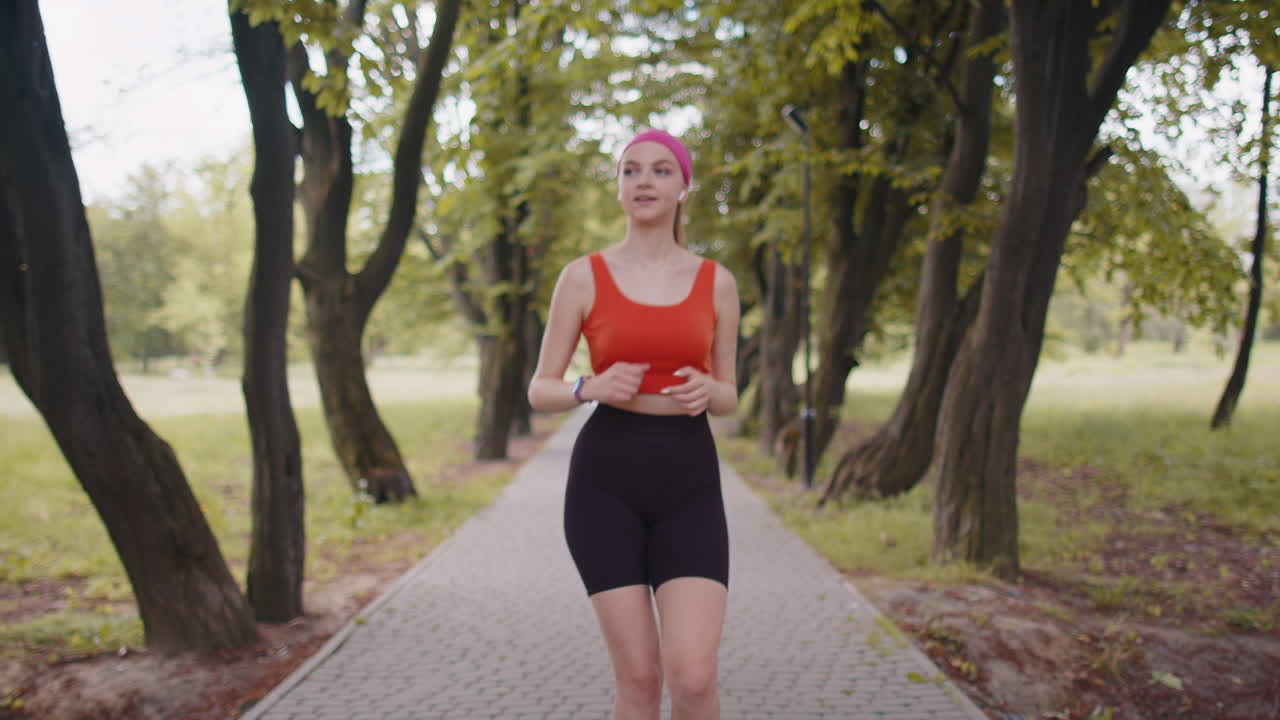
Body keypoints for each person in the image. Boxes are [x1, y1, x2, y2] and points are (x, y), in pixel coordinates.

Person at [527, 128, 741, 720]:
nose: (644, 180)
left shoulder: (716, 281)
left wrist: (709, 391)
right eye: (631, 170)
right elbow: (539, 388)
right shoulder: (582, 276)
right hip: (605, 482)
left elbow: (729, 395)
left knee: (693, 677)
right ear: (620, 187)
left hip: (689, 481)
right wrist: (585, 387)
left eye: (660, 170)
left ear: (683, 187)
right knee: (641, 678)